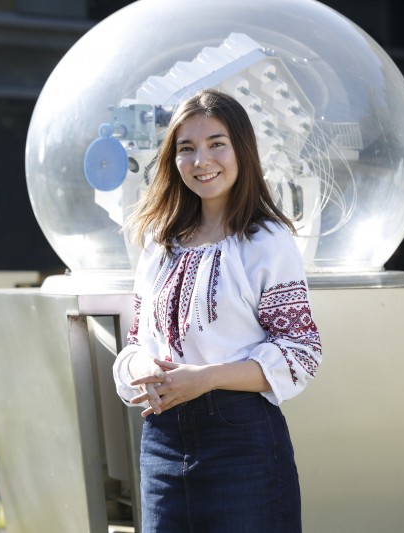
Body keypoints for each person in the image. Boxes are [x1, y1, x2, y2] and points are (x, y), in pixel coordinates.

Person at [112, 88, 322, 533]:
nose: (201, 160)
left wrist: (204, 378)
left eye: (216, 144)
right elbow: (134, 344)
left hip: (242, 443)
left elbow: (301, 353)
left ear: (242, 149)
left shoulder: (266, 241)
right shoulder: (159, 242)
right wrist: (142, 367)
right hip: (161, 443)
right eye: (186, 148)